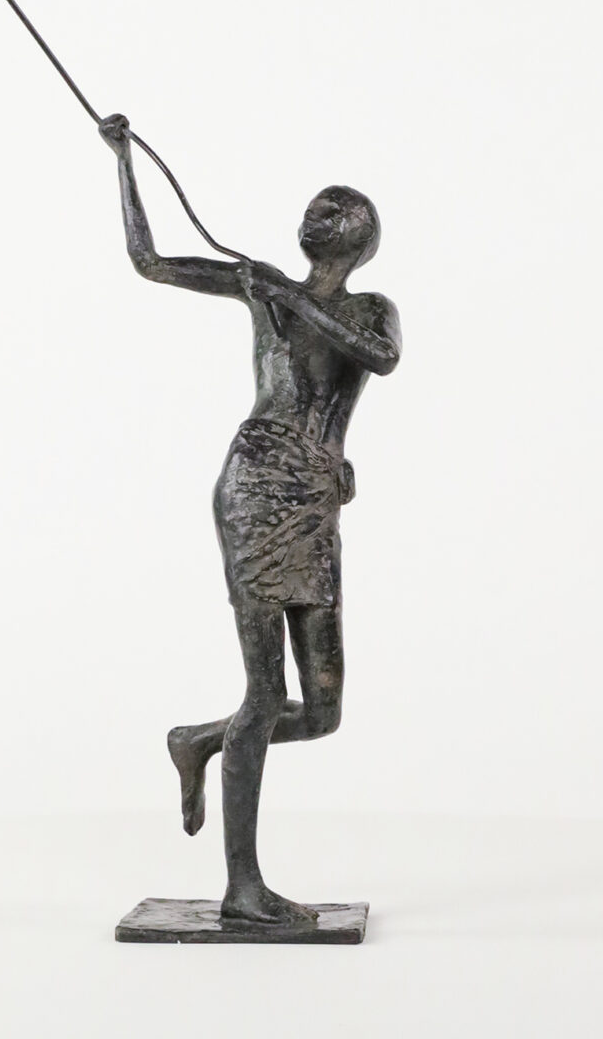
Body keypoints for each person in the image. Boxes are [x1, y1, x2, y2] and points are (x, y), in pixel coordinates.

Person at [99, 111, 401, 927]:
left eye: (331, 210)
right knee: (264, 694)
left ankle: (200, 740)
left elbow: (379, 359)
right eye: (313, 206)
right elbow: (150, 262)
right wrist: (123, 160)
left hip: (314, 496)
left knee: (324, 709)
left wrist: (290, 296)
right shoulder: (257, 287)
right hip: (258, 484)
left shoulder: (369, 309)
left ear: (358, 238)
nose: (315, 215)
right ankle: (243, 888)